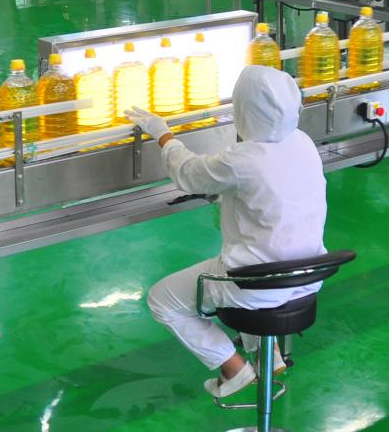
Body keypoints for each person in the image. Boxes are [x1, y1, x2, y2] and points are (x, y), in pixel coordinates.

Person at [127, 65, 327, 400]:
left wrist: (162, 133)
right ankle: (269, 354)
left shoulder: (242, 160)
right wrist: (224, 194)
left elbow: (187, 173)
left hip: (255, 284)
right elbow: (270, 194)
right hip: (306, 274)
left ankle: (233, 368)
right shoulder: (303, 143)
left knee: (162, 300)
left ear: (245, 110)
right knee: (248, 263)